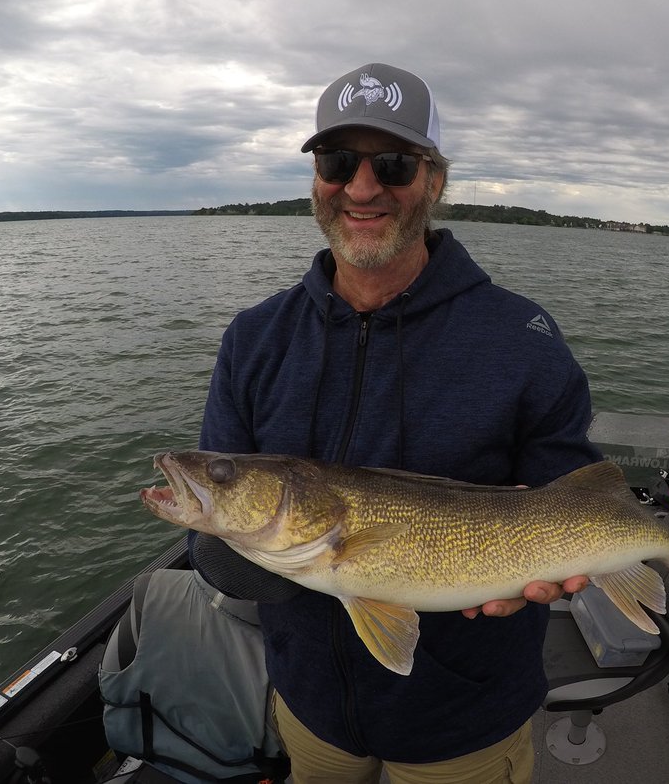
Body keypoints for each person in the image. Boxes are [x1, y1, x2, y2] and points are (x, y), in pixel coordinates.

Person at [190, 62, 603, 783]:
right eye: (337, 160)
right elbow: (218, 559)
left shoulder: (523, 340)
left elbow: (573, 498)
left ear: (434, 181)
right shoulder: (254, 338)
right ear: (317, 176)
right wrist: (282, 545)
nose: (361, 187)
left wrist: (542, 577)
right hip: (311, 709)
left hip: (463, 724)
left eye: (393, 164)